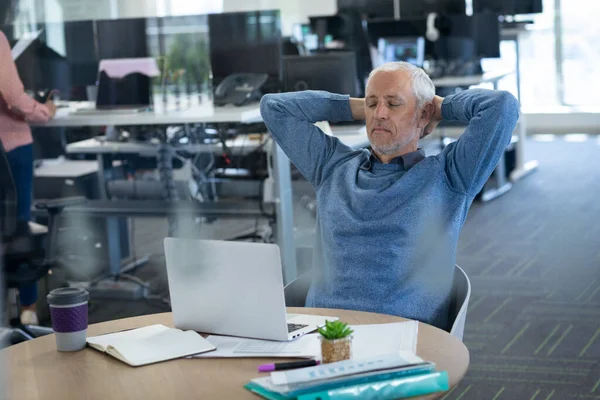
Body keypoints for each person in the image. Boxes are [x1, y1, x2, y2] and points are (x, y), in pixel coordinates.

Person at [260, 61, 519, 329]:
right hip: (323, 335)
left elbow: (502, 107)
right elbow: (274, 108)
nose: (379, 114)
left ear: (423, 114)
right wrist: (362, 105)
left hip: (401, 338)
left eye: (394, 104)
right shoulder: (333, 166)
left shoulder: (451, 175)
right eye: (372, 105)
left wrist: (438, 107)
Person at [0, 29, 56, 325]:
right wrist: (44, 110)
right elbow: (13, 98)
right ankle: (27, 312)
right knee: (17, 227)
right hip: (9, 147)